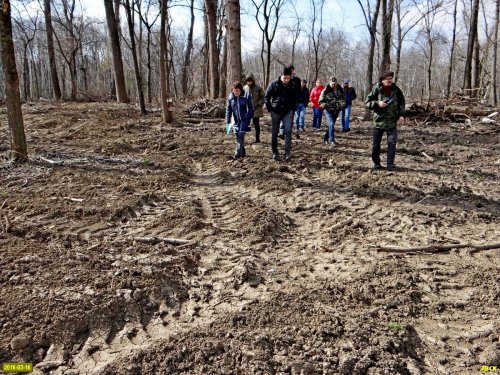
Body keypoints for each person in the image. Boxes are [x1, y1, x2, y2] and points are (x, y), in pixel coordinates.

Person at [364, 71, 406, 171]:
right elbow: (367, 102)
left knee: (392, 142)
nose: (390, 80)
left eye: (391, 78)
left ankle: (390, 164)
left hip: (392, 121)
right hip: (379, 121)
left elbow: (402, 102)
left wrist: (401, 115)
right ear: (382, 80)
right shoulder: (376, 89)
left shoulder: (396, 89)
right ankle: (376, 163)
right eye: (388, 79)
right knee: (376, 144)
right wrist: (378, 103)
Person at [265, 66, 298, 161]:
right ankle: (275, 152)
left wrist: (293, 109)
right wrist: (269, 108)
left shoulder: (293, 85)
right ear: (281, 76)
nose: (286, 80)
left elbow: (296, 98)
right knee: (275, 132)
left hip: (288, 111)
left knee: (288, 131)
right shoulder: (274, 84)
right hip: (275, 111)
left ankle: (287, 153)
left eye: (288, 78)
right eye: (285, 78)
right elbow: (267, 97)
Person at [226, 81, 254, 158]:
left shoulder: (246, 96)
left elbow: (251, 109)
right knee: (238, 136)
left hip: (245, 120)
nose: (236, 92)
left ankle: (237, 153)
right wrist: (228, 122)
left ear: (241, 90)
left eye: (238, 90)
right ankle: (243, 151)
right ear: (232, 90)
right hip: (235, 120)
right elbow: (228, 110)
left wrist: (248, 119)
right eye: (234, 90)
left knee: (241, 135)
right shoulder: (230, 97)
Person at [319, 76, 344, 146]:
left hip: (336, 110)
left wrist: (342, 106)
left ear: (336, 83)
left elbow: (343, 99)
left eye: (334, 83)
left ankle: (325, 138)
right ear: (329, 82)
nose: (333, 85)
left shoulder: (340, 89)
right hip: (328, 110)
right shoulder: (326, 90)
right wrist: (322, 104)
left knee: (331, 126)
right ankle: (332, 140)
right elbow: (321, 100)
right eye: (332, 83)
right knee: (331, 124)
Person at [279, 64, 301, 138]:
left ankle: (288, 133)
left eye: (292, 70)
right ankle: (282, 132)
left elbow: (299, 91)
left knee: (290, 118)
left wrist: (298, 101)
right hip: (283, 101)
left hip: (293, 102)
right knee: (282, 116)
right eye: (289, 70)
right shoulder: (283, 78)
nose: (290, 71)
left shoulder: (297, 80)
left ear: (293, 70)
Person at [243, 73, 265, 144]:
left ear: (253, 80)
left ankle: (257, 139)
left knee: (256, 124)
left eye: (250, 81)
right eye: (247, 81)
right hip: (247, 109)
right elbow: (242, 97)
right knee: (245, 124)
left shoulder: (258, 88)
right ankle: (243, 139)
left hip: (256, 109)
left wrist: (259, 104)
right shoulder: (244, 88)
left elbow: (263, 97)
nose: (249, 82)